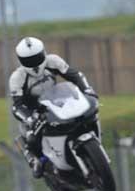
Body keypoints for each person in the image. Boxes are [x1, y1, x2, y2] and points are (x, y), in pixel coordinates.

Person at [10, 37, 97, 178]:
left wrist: (87, 90)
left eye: (37, 57)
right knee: (31, 137)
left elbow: (75, 76)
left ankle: (92, 139)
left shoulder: (53, 61)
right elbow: (17, 106)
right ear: (20, 60)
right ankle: (35, 160)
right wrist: (29, 118)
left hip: (57, 100)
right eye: (29, 61)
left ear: (43, 52)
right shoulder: (17, 77)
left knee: (85, 113)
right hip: (35, 112)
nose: (34, 64)